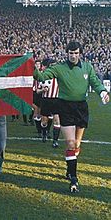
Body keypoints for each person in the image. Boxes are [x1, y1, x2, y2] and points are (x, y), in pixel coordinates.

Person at [34, 41, 109, 193]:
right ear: (66, 53)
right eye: (71, 53)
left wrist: (102, 92)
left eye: (76, 53)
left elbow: (94, 81)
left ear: (80, 53)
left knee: (77, 144)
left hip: (81, 108)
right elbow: (42, 76)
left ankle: (70, 168)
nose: (73, 56)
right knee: (70, 143)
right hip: (65, 107)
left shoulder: (87, 67)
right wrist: (32, 68)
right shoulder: (59, 68)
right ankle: (73, 178)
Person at [39, 59, 60, 147]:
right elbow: (38, 89)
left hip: (56, 100)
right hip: (46, 100)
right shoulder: (44, 75)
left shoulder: (60, 75)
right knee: (44, 121)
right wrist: (42, 90)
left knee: (57, 120)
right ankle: (44, 134)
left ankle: (55, 141)